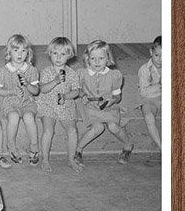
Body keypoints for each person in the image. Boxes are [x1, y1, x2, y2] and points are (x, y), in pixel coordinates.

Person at [76, 39, 133, 169]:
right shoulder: (83, 74)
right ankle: (78, 150)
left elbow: (117, 97)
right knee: (98, 128)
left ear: (108, 59)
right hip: (90, 107)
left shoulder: (114, 75)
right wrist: (83, 95)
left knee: (113, 126)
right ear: (87, 59)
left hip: (108, 106)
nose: (97, 62)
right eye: (93, 58)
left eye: (101, 58)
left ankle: (128, 145)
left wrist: (111, 101)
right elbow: (78, 91)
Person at [0, 34, 41, 165]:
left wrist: (28, 85)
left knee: (29, 117)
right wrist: (11, 91)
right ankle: (11, 147)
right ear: (9, 52)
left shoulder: (31, 70)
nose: (20, 54)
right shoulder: (3, 71)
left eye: (23, 51)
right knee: (13, 117)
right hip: (9, 102)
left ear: (28, 53)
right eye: (15, 50)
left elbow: (36, 91)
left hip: (27, 101)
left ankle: (34, 147)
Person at [36, 36, 82, 173]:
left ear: (69, 55)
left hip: (65, 105)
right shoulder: (46, 71)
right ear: (50, 53)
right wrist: (55, 81)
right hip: (47, 105)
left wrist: (66, 96)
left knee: (72, 131)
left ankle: (71, 159)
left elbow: (76, 91)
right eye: (55, 53)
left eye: (62, 54)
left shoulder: (72, 73)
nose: (58, 57)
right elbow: (42, 89)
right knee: (48, 130)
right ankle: (44, 159)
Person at [137, 35, 162, 150]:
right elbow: (144, 92)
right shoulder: (144, 69)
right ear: (151, 52)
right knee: (149, 117)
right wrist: (160, 86)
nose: (160, 60)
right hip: (149, 100)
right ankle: (162, 147)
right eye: (157, 55)